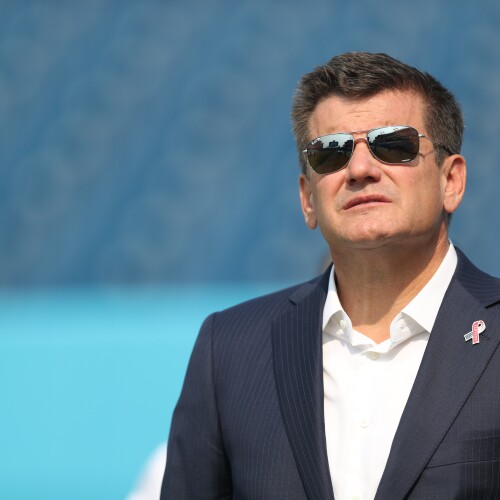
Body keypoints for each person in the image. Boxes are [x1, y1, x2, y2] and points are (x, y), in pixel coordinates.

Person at [160, 52, 500, 499]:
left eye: (392, 145)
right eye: (331, 153)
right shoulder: (228, 352)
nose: (359, 170)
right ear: (307, 199)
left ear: (450, 180)